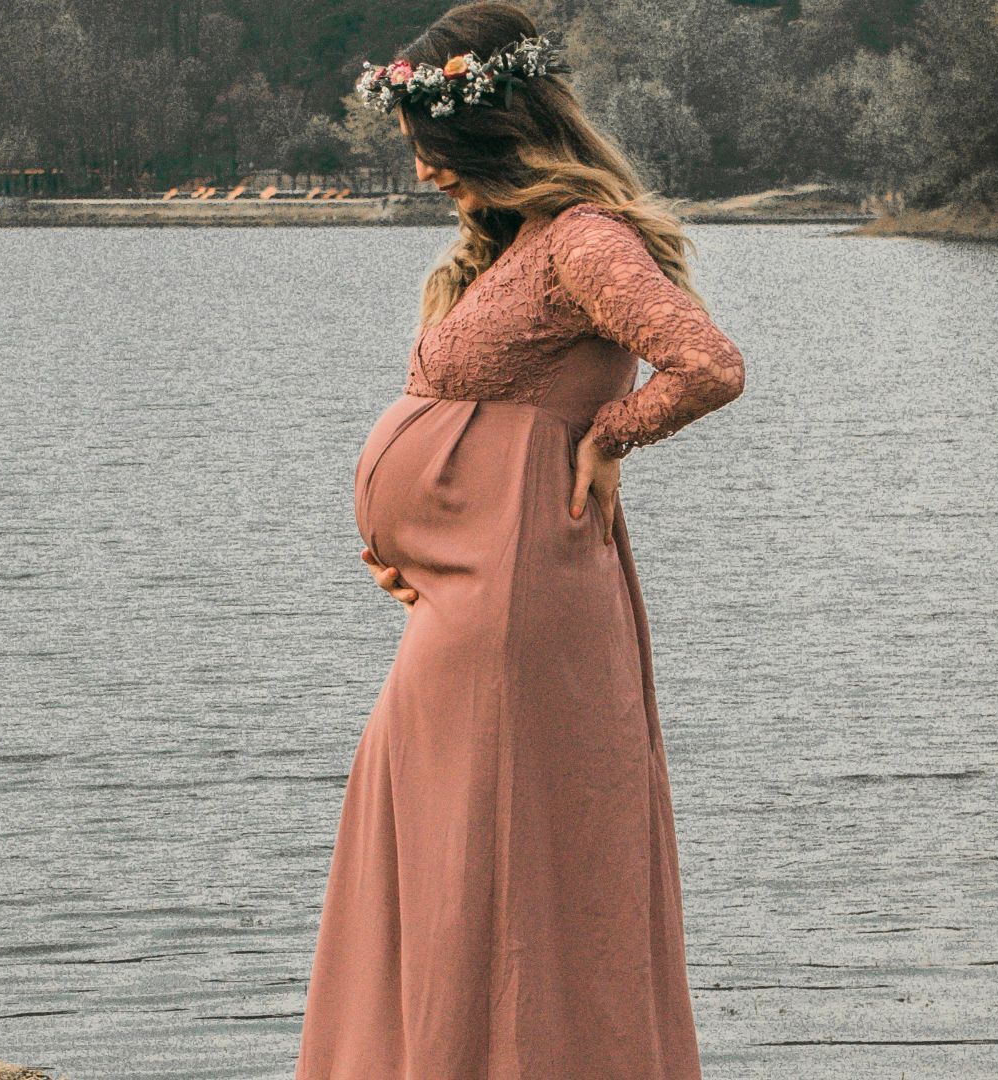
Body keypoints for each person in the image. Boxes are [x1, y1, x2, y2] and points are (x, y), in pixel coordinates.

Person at [295, 4, 745, 1078]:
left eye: (434, 149)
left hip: (517, 607)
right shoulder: (517, 248)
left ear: (494, 131)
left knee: (497, 866)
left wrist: (613, 436)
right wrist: (410, 531)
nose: (422, 172)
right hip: (471, 599)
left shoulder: (586, 241)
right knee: (450, 855)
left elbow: (707, 363)